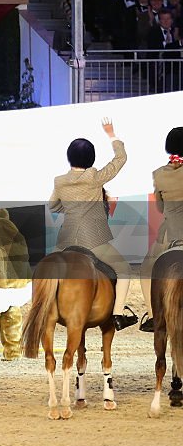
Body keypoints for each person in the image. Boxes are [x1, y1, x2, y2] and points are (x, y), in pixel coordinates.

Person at [48, 118, 134, 330]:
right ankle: (117, 314)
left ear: (69, 158)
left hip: (66, 240)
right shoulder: (94, 177)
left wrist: (67, 209)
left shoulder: (59, 180)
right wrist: (111, 134)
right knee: (124, 270)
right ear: (91, 159)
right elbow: (121, 158)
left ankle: (46, 308)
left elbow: (52, 206)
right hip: (93, 240)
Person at [140, 127, 183, 332]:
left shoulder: (159, 174)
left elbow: (160, 207)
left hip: (171, 234)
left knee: (146, 269)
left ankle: (153, 315)